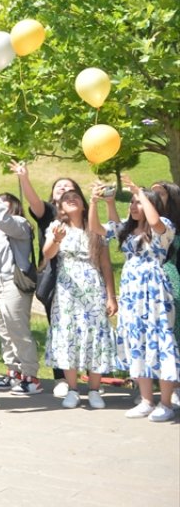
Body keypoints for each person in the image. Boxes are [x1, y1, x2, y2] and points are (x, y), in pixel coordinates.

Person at [42, 181, 117, 410]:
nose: (71, 199)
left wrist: (111, 296)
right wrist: (56, 239)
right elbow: (47, 255)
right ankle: (73, 389)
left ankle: (94, 390)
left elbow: (106, 265)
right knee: (68, 335)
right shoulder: (57, 226)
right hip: (66, 291)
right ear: (61, 207)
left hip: (93, 289)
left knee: (95, 336)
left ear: (84, 205)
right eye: (66, 198)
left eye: (76, 196)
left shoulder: (95, 229)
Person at [108, 178, 178, 421]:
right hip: (131, 293)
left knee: (160, 342)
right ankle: (147, 400)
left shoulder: (165, 225)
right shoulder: (129, 231)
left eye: (140, 202)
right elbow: (102, 229)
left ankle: (166, 403)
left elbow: (155, 222)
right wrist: (103, 201)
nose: (134, 206)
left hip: (155, 292)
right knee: (137, 342)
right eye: (133, 202)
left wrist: (140, 191)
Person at [12, 162, 81, 397]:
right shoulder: (49, 213)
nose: (63, 188)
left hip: (82, 282)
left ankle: (90, 377)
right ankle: (61, 377)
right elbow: (34, 202)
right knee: (60, 329)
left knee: (85, 328)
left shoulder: (83, 216)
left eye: (68, 187)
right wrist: (24, 178)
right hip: (55, 280)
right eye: (59, 187)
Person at [0, 172, 41, 395]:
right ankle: (13, 372)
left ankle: (31, 377)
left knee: (18, 330)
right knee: (2, 331)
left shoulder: (20, 225)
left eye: (3, 205)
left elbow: (4, 219)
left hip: (12, 284)